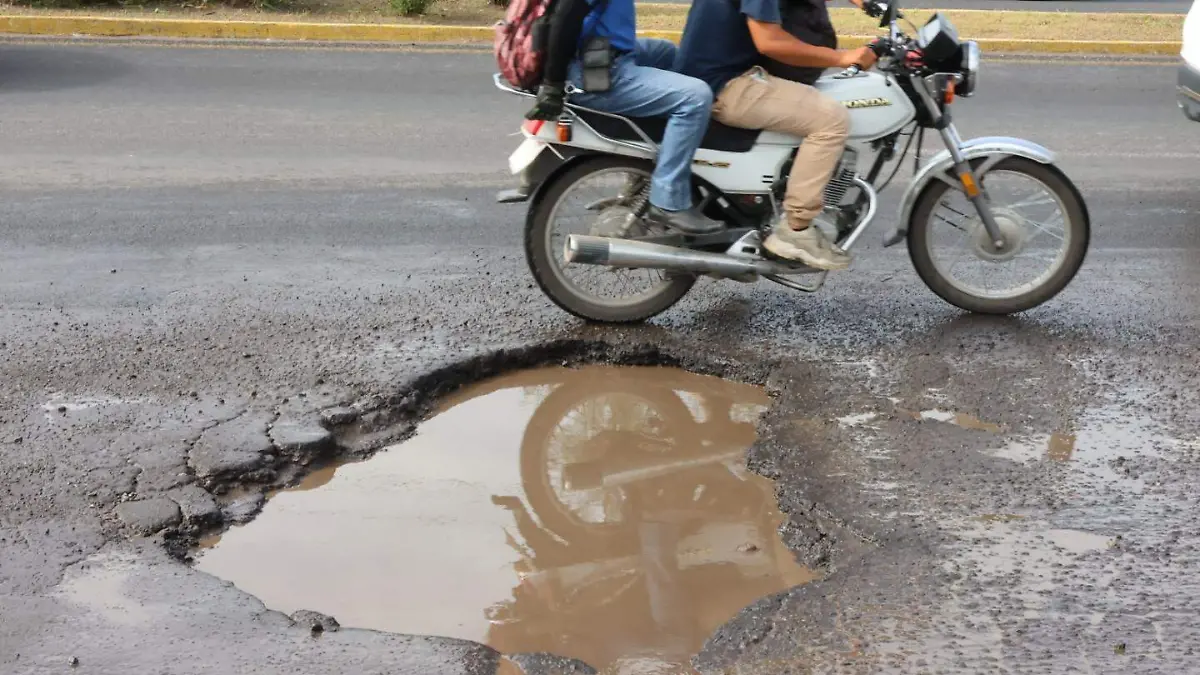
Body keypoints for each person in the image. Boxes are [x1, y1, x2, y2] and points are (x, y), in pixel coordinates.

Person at [676, 0, 877, 270]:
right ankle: (794, 231)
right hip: (726, 84)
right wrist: (842, 57)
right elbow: (770, 42)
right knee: (831, 119)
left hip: (718, 75)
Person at [523, 0, 723, 235]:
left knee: (667, 54)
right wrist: (553, 84)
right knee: (696, 97)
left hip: (602, 51)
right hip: (595, 72)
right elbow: (566, 16)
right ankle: (668, 200)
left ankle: (646, 173)